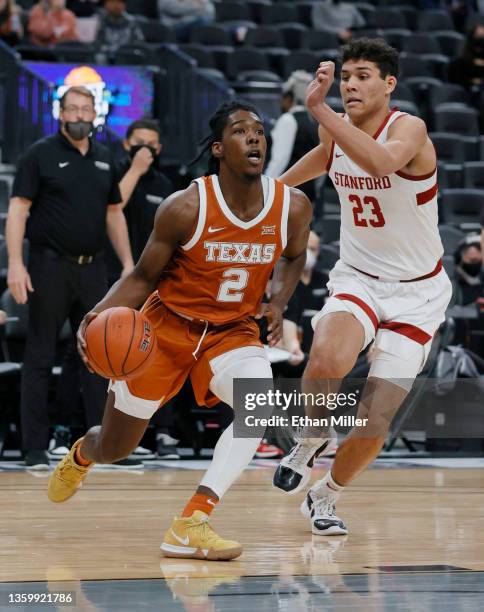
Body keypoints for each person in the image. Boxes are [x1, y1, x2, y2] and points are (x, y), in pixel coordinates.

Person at [47, 100, 313, 560]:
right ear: (218, 148)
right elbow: (143, 276)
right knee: (115, 445)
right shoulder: (185, 207)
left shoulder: (292, 205)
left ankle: (193, 520)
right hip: (164, 330)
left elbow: (293, 256)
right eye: (239, 131)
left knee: (257, 406)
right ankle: (84, 453)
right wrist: (95, 318)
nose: (254, 137)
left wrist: (278, 301)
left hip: (232, 331)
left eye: (259, 131)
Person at [272, 38, 453, 536]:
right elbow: (314, 164)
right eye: (345, 75)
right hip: (359, 276)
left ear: (388, 84)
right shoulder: (336, 134)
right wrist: (273, 197)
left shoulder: (409, 129)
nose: (350, 84)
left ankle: (325, 495)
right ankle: (310, 438)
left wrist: (319, 110)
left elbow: (378, 164)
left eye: (362, 76)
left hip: (418, 294)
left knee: (375, 423)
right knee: (326, 357)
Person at [6, 85, 134, 469]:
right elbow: (17, 210)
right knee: (40, 355)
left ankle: (101, 445)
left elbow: (114, 213)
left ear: (95, 115)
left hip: (94, 267)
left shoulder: (104, 158)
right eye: (72, 109)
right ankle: (34, 448)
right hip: (48, 265)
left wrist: (128, 264)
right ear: (60, 114)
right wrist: (16, 262)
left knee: (101, 358)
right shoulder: (39, 155)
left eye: (85, 109)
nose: (79, 115)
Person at [265, 71, 319, 202]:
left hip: (287, 193)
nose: (281, 103)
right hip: (307, 194)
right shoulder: (312, 121)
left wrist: (265, 188)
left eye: (282, 98)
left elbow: (280, 159)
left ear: (289, 98)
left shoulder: (288, 119)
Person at [454, 234, 483, 305]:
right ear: (460, 261)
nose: (479, 265)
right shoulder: (455, 293)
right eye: (473, 260)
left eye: (481, 261)